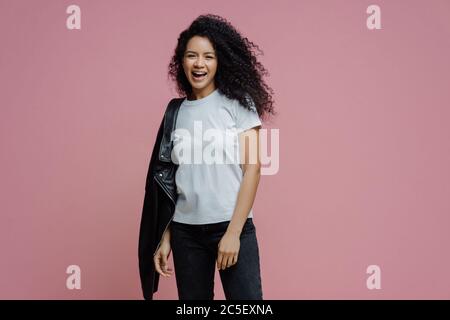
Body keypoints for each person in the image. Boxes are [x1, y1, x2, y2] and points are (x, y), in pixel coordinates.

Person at [151, 14, 276, 300]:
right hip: (185, 234)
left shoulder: (238, 103)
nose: (199, 64)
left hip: (232, 226)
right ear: (181, 61)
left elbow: (253, 169)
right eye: (192, 55)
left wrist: (233, 233)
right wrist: (166, 237)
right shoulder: (176, 111)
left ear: (220, 61)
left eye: (208, 56)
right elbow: (172, 179)